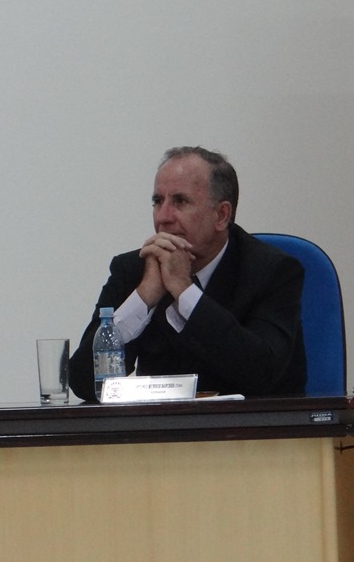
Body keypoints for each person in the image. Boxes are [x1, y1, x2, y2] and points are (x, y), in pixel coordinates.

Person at [69, 146, 306, 401]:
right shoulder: (135, 270)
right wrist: (144, 297)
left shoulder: (273, 271)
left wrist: (184, 291)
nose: (163, 217)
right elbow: (83, 383)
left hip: (250, 424)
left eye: (180, 201)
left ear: (221, 215)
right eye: (158, 201)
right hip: (163, 425)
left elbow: (261, 373)